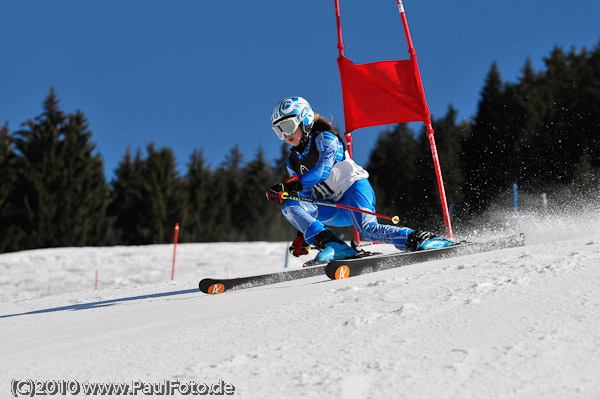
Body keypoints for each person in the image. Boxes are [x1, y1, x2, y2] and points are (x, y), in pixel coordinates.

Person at [266, 96, 453, 262]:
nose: (285, 135)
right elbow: (306, 198)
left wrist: (287, 187)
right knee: (291, 205)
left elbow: (322, 172)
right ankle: (335, 247)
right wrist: (303, 234)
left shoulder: (325, 139)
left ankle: (420, 239)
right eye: (278, 130)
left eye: (288, 127)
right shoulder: (292, 162)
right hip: (334, 207)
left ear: (304, 120)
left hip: (354, 190)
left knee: (369, 230)